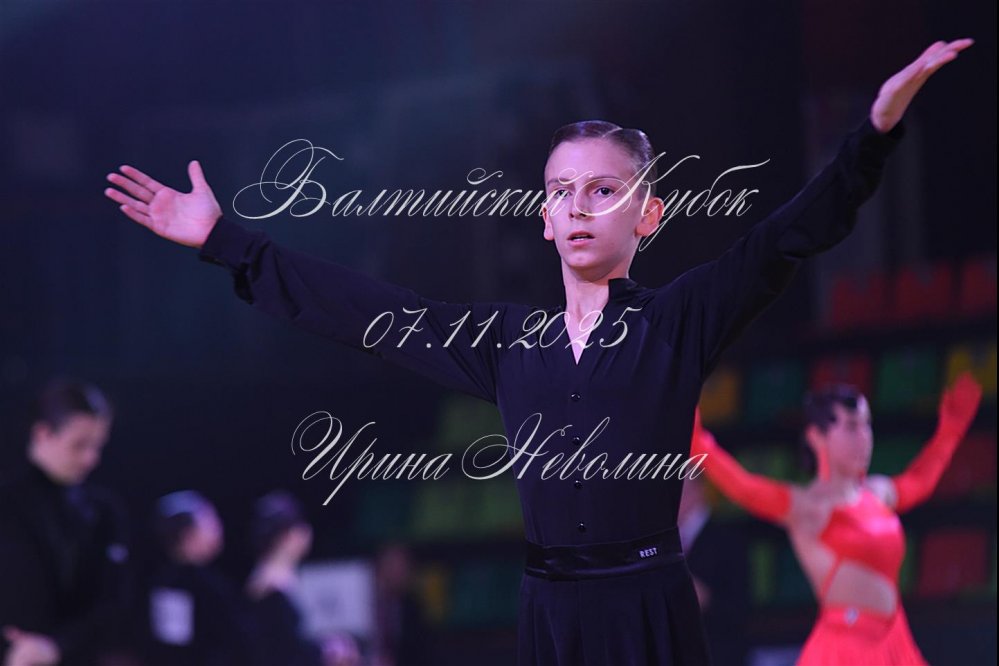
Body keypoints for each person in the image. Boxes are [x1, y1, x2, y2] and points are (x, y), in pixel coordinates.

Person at [103, 40, 971, 665]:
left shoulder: (676, 321)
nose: (580, 206)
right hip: (549, 610)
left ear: (647, 214)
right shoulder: (507, 344)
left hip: (648, 606)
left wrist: (872, 132)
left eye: (603, 189)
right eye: (563, 192)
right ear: (545, 218)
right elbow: (365, 311)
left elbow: (784, 238)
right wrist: (226, 241)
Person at [690, 371, 983, 665]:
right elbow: (744, 487)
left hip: (895, 639)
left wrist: (950, 431)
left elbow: (919, 481)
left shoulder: (877, 493)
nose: (864, 437)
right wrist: (700, 443)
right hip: (844, 649)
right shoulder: (808, 507)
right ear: (817, 437)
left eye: (867, 425)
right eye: (852, 426)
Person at [0, 379, 131, 666]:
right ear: (43, 433)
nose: (91, 458)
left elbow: (115, 602)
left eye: (97, 446)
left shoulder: (103, 512)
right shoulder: (7, 504)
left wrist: (58, 646)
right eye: (79, 445)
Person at [143, 490, 256, 666]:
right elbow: (173, 649)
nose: (218, 530)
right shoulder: (175, 587)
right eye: (210, 523)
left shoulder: (210, 582)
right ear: (187, 533)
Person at [245, 490, 325, 666]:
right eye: (301, 528)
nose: (307, 533)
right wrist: (325, 652)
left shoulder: (284, 576)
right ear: (286, 535)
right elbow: (284, 649)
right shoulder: (268, 585)